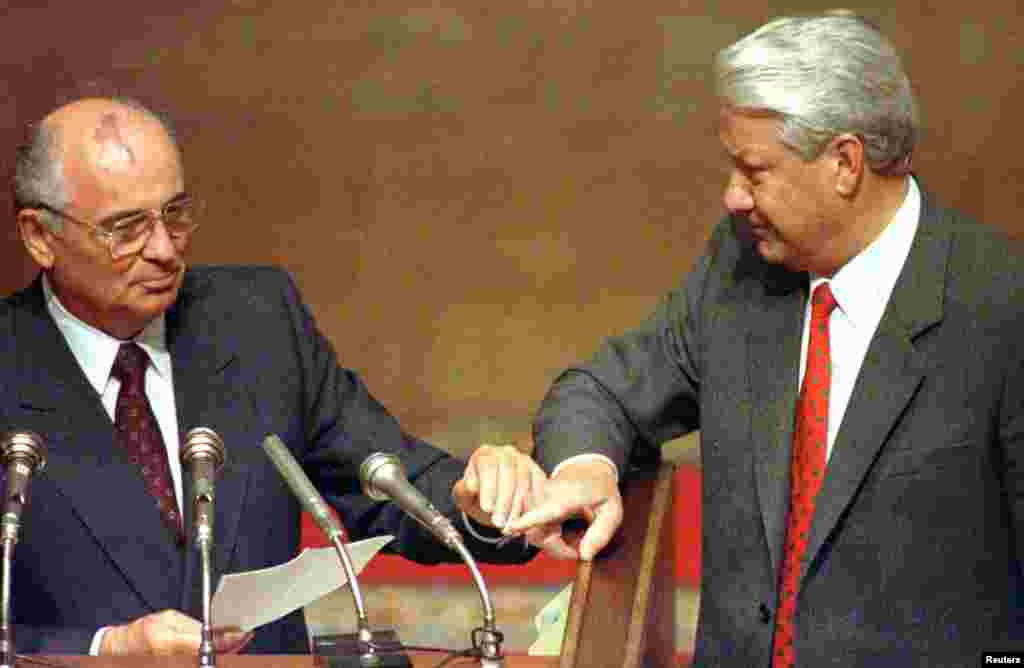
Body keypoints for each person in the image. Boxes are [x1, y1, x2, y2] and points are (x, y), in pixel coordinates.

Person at [506, 11, 1024, 667]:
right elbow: (601, 389)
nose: (732, 198)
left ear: (844, 162)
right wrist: (587, 465)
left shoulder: (1001, 308)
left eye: (754, 171)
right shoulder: (739, 268)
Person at [4, 96, 545, 656]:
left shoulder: (256, 321)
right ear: (40, 236)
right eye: (126, 229)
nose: (164, 250)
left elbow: (384, 478)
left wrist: (478, 505)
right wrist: (103, 651)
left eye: (175, 214)